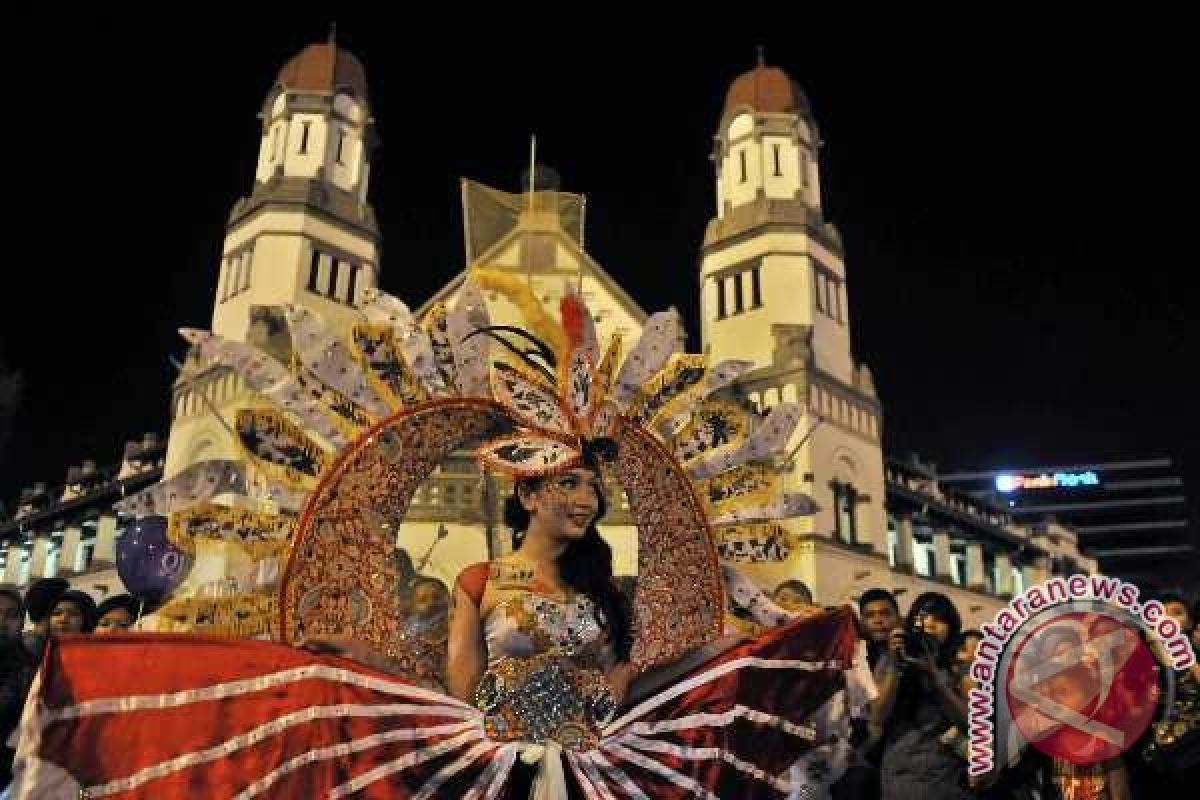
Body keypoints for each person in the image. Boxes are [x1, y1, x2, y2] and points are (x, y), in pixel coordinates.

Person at [877, 591, 970, 800]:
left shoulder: (959, 671)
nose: (931, 624)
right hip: (902, 772)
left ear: (951, 628)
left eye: (940, 619)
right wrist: (894, 665)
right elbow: (877, 717)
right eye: (924, 616)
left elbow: (972, 723)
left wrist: (935, 679)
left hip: (946, 776)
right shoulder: (893, 659)